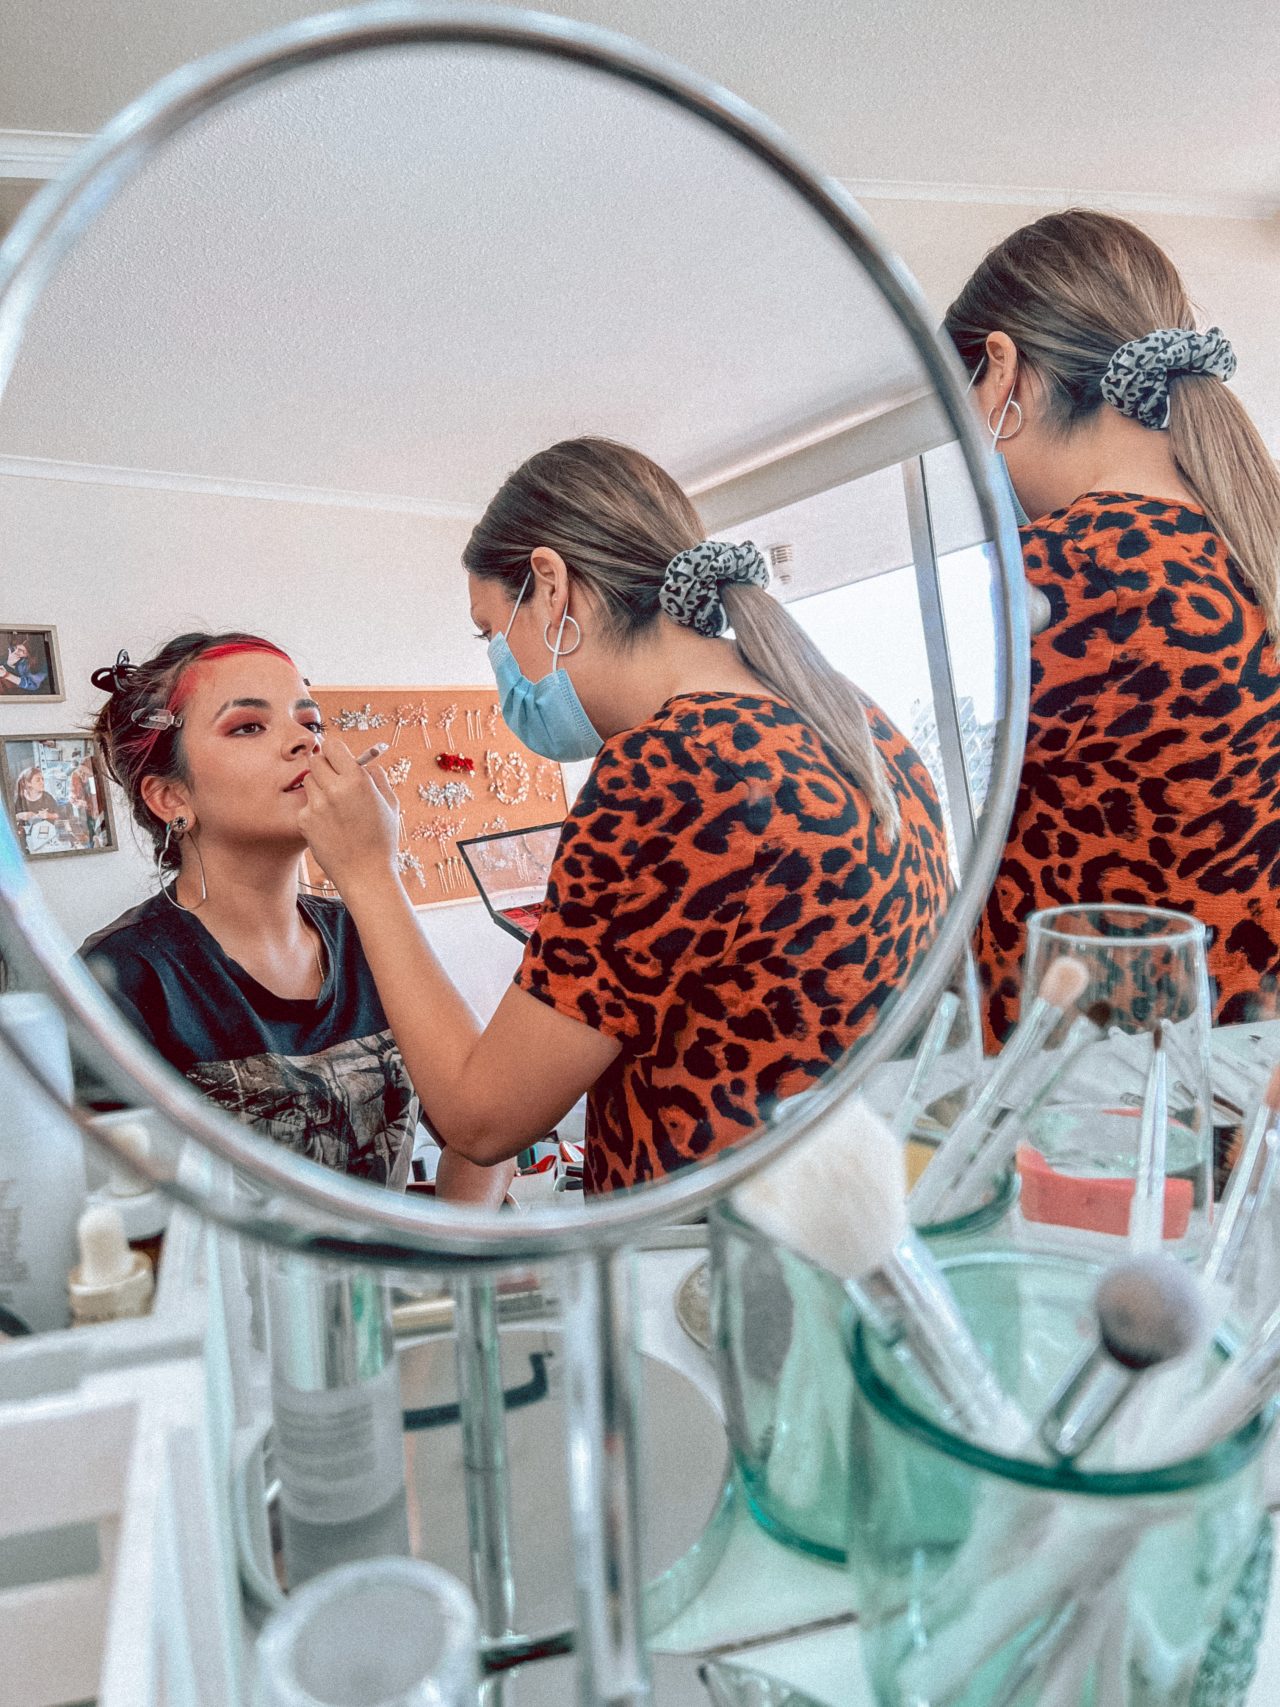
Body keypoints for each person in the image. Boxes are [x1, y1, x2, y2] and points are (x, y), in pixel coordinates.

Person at [299, 437, 949, 1196]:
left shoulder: (669, 767)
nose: (499, 664)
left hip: (721, 1241)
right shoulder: (850, 718)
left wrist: (368, 871)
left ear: (551, 587)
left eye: (490, 632)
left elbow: (483, 1119)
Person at [945, 210, 1280, 1038]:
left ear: (1002, 371)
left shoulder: (1057, 575)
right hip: (1244, 1080)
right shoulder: (1248, 547)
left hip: (1103, 1092)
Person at [81, 633, 511, 1203]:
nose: (304, 741)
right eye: (248, 727)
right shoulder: (122, 977)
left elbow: (484, 1130)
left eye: (311, 722)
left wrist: (450, 1242)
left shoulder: (367, 931)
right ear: (170, 799)